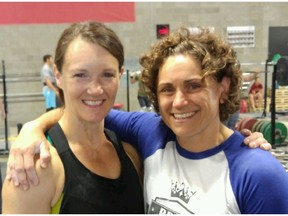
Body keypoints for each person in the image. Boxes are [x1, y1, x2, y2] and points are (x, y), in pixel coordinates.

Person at [5, 28, 276, 213]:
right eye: (167, 89)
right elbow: (86, 112)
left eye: (193, 86)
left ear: (223, 87)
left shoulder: (257, 173)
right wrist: (33, 128)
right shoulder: (150, 134)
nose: (180, 101)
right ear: (58, 76)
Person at [2, 21, 144, 213]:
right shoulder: (36, 168)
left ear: (120, 75)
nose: (95, 89)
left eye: (107, 74)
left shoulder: (131, 155)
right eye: (80, 75)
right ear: (58, 76)